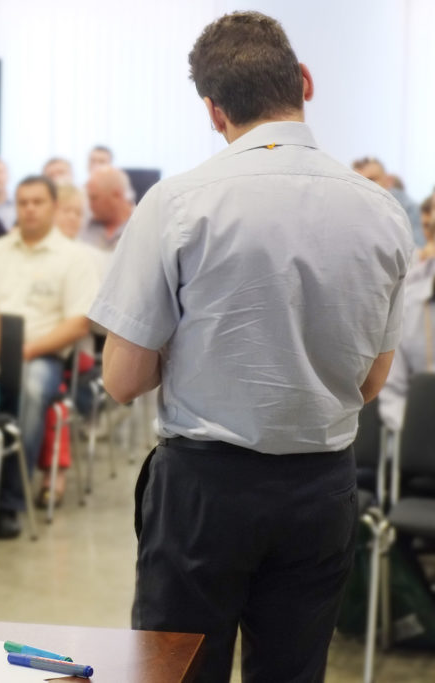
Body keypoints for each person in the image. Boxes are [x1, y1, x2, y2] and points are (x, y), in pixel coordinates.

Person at [89, 12, 413, 681]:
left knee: (178, 671)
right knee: (293, 673)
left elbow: (122, 379)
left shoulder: (176, 203)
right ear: (305, 82)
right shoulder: (382, 211)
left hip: (206, 488)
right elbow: (373, 381)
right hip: (322, 485)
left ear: (214, 112)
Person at [0, 176, 97, 539]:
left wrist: (25, 351)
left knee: (29, 389)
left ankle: (8, 501)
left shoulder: (73, 258)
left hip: (41, 355)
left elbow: (77, 324)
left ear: (54, 207)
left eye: (37, 202)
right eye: (22, 201)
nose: (29, 209)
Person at [353, 156, 424, 247]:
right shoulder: (353, 211)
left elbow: (419, 249)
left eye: (371, 180)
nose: (364, 186)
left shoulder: (408, 208)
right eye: (358, 182)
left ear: (388, 181)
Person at [79, 166, 134, 251]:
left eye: (94, 198)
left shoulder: (142, 226)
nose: (89, 204)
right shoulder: (82, 225)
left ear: (117, 195)